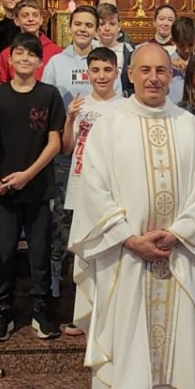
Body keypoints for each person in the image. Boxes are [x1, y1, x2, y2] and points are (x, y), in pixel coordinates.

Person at [68, 44, 195, 389]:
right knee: (126, 339)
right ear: (130, 75)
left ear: (172, 76)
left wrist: (176, 234)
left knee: (175, 343)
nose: (154, 77)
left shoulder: (190, 127)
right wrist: (126, 237)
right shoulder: (109, 126)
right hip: (125, 256)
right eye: (145, 70)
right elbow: (93, 190)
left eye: (161, 70)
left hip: (178, 256)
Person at [0, 33, 66, 341]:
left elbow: (55, 142)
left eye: (31, 55)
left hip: (38, 187)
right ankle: (3, 310)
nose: (25, 59)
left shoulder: (49, 95)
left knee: (40, 253)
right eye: (19, 53)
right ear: (9, 58)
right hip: (4, 188)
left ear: (40, 61)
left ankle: (41, 310)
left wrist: (28, 175)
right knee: (3, 253)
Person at [61, 46, 123, 336]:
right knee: (84, 250)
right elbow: (67, 147)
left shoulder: (125, 107)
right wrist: (70, 119)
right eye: (95, 70)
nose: (101, 76)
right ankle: (83, 313)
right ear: (87, 72)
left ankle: (111, 312)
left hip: (113, 189)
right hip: (81, 183)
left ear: (117, 72)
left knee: (111, 249)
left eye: (107, 70)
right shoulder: (80, 104)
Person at [42, 5, 100, 296]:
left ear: (96, 29)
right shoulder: (55, 62)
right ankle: (55, 277)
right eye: (78, 24)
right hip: (67, 152)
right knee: (62, 219)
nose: (82, 29)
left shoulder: (104, 59)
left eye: (89, 25)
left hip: (99, 157)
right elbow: (49, 103)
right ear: (70, 26)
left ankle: (91, 277)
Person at [0, 0, 62, 83]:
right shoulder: (6, 54)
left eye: (35, 15)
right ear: (16, 20)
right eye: (25, 15)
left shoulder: (56, 52)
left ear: (41, 19)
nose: (31, 19)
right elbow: (2, 87)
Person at [95, 3, 135, 96]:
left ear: (119, 26)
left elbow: (136, 84)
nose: (107, 28)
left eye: (112, 24)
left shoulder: (129, 52)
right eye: (102, 24)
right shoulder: (90, 50)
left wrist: (124, 94)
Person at [168, 16, 195, 103]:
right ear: (173, 41)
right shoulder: (167, 62)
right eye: (182, 46)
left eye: (191, 45)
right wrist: (168, 62)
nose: (187, 49)